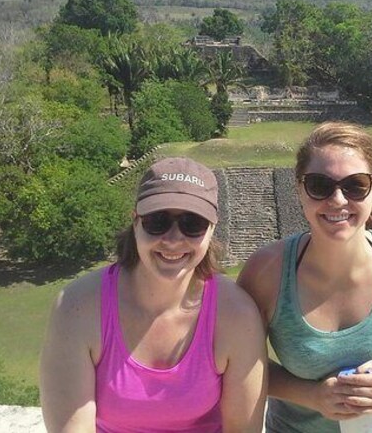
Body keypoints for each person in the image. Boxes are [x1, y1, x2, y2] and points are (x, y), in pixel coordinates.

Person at [238, 122, 372, 433]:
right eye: (320, 186)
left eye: (355, 185)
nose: (337, 200)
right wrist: (313, 395)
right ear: (299, 189)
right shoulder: (266, 273)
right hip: (298, 426)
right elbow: (240, 363)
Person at [40, 157, 267, 433]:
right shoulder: (77, 308)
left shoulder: (235, 315)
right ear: (135, 222)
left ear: (211, 229)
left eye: (192, 223)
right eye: (157, 221)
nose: (172, 239)